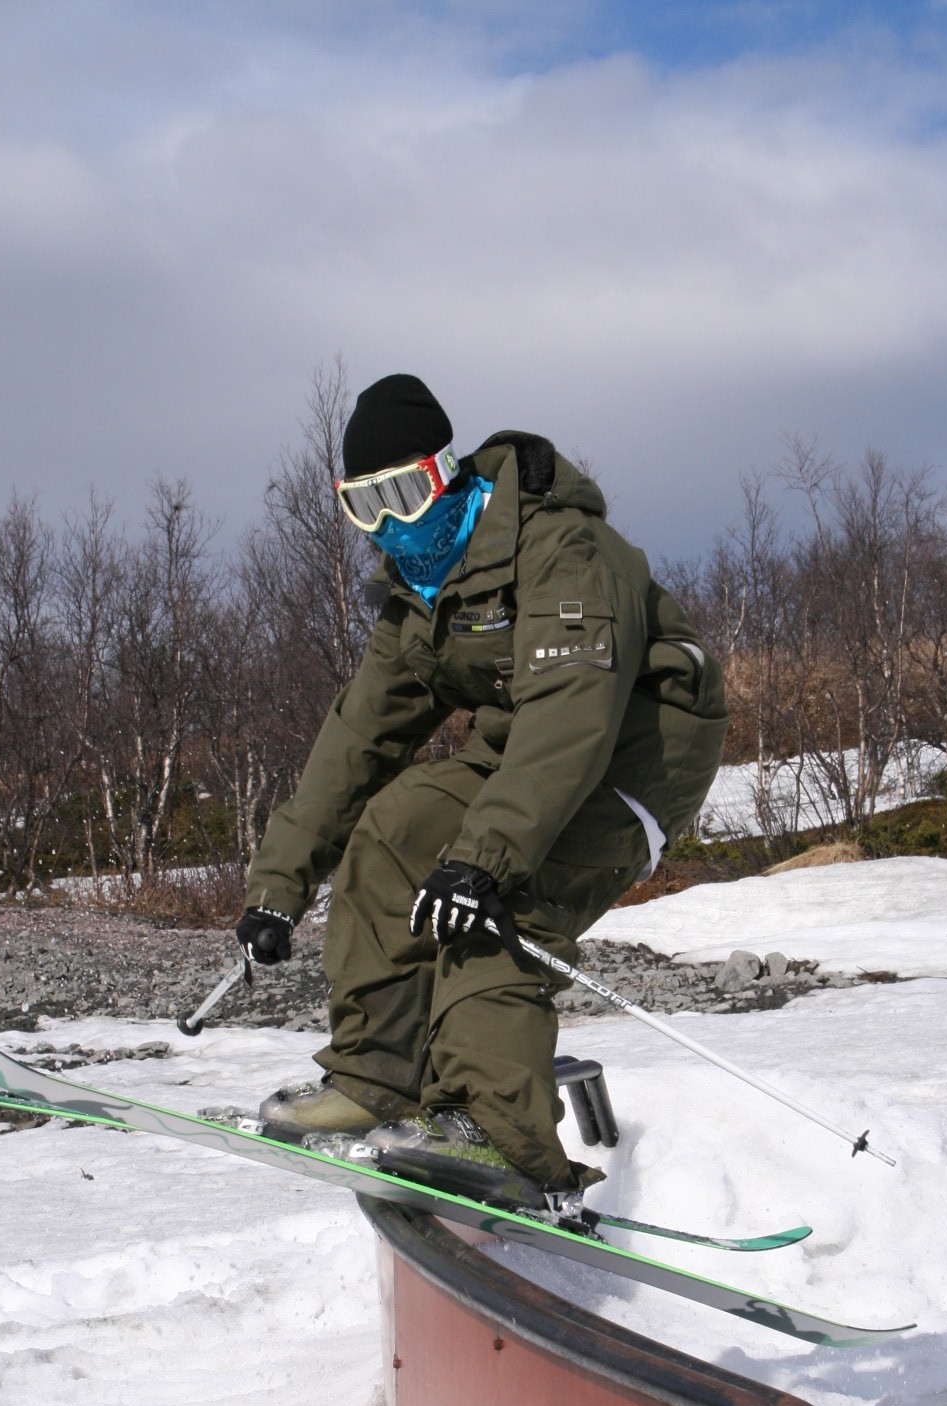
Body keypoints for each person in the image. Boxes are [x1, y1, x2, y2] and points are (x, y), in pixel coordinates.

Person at [236, 373, 727, 1207]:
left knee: (496, 905)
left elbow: (571, 712)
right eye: (365, 506)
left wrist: (480, 861)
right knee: (393, 833)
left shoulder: (562, 549)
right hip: (525, 752)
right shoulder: (420, 594)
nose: (391, 523)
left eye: (405, 493)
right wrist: (277, 887)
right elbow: (356, 742)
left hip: (640, 752)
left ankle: (497, 1136)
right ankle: (377, 1081)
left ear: (447, 471)